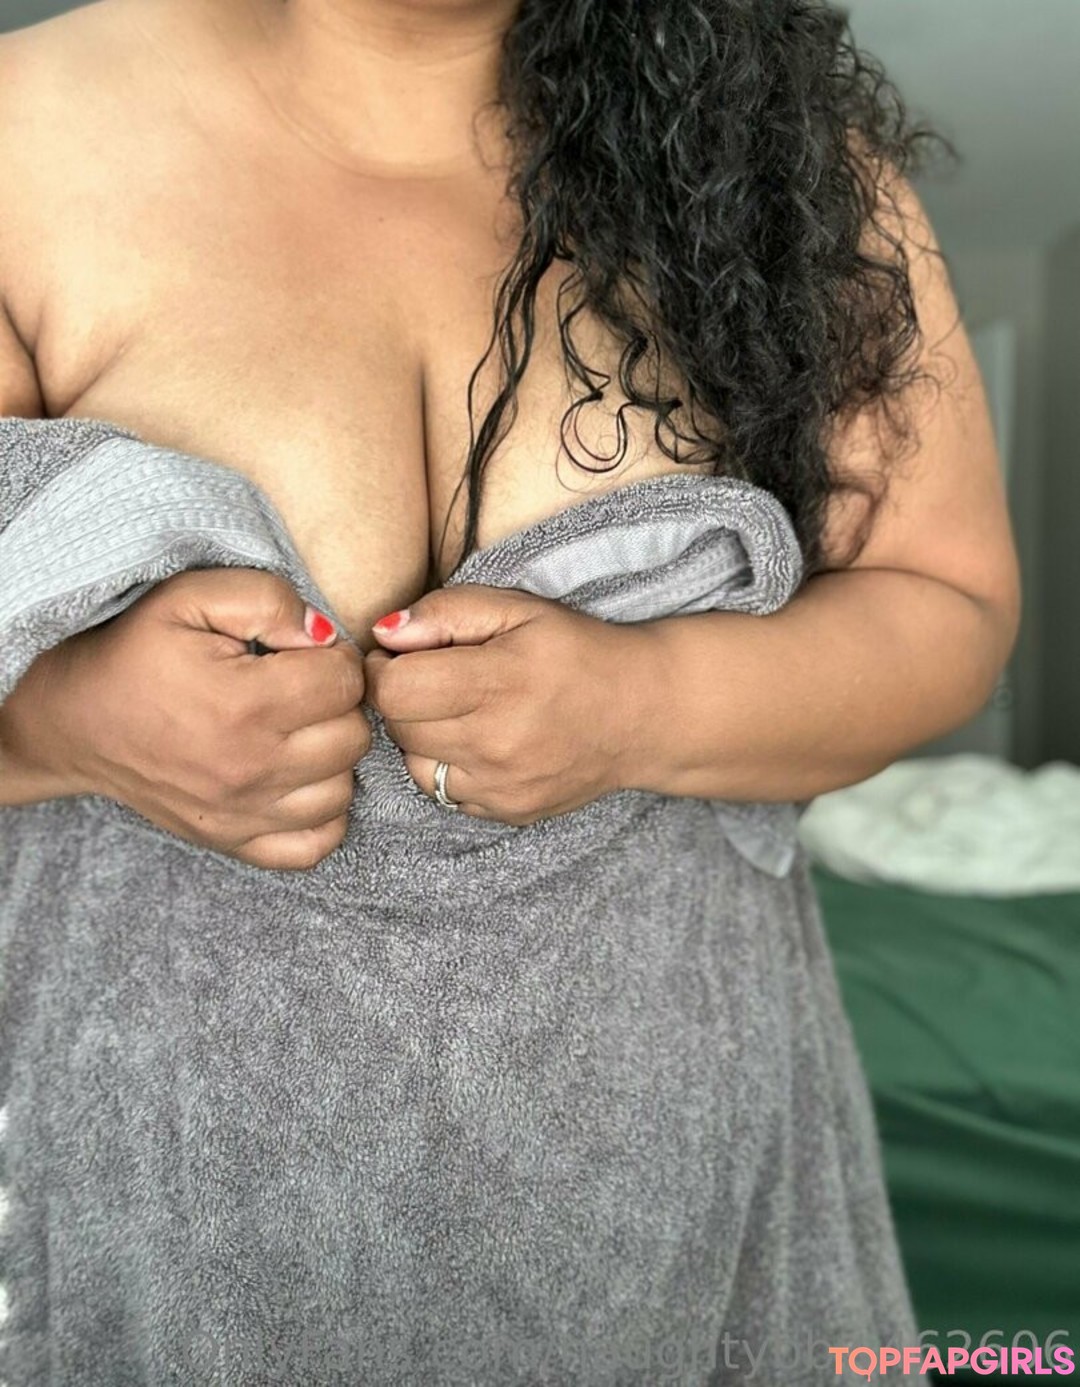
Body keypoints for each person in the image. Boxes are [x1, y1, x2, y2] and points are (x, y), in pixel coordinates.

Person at [0, 0, 1020, 1383]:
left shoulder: (789, 163)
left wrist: (647, 704)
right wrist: (71, 723)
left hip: (681, 1214)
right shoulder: (23, 137)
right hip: (141, 1212)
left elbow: (950, 605)